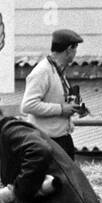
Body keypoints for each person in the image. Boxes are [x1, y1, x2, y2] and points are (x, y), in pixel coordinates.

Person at [21, 28, 85, 160]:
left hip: (61, 137)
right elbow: (28, 105)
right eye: (75, 49)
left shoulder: (57, 69)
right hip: (47, 141)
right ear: (68, 50)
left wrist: (71, 107)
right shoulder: (42, 71)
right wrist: (61, 109)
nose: (75, 54)